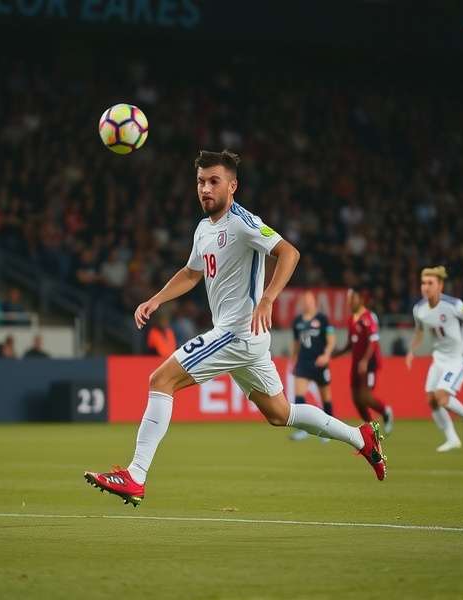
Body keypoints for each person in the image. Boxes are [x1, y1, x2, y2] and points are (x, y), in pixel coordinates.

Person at [84, 150, 386, 506]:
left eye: (214, 181)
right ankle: (360, 436)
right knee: (280, 413)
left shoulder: (244, 222)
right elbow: (191, 273)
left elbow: (289, 253)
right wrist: (157, 299)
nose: (205, 189)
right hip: (246, 339)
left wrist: (268, 298)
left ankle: (135, 475)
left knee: (160, 380)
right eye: (200, 182)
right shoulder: (203, 228)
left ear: (233, 185)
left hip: (238, 332)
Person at [406, 266, 463, 452]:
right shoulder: (419, 309)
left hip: (458, 358)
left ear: (440, 286)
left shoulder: (454, 304)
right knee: (431, 400)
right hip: (439, 358)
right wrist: (411, 351)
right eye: (423, 283)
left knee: (441, 396)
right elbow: (420, 331)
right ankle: (452, 438)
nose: (425, 287)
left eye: (430, 283)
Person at [334, 288, 393, 435]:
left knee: (365, 396)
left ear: (360, 299)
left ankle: (385, 412)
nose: (350, 303)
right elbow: (350, 344)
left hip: (369, 363)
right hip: (356, 363)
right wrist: (336, 353)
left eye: (352, 299)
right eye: (349, 300)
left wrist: (365, 361)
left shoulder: (369, 317)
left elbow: (373, 341)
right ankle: (372, 428)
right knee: (356, 399)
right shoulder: (351, 319)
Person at [288, 290, 335, 442]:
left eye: (309, 300)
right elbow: (296, 343)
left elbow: (331, 339)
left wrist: (327, 355)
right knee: (299, 395)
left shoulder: (322, 319)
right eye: (304, 300)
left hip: (319, 362)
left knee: (326, 397)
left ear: (314, 302)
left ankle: (329, 430)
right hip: (303, 362)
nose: (307, 303)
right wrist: (293, 358)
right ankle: (302, 430)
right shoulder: (297, 321)